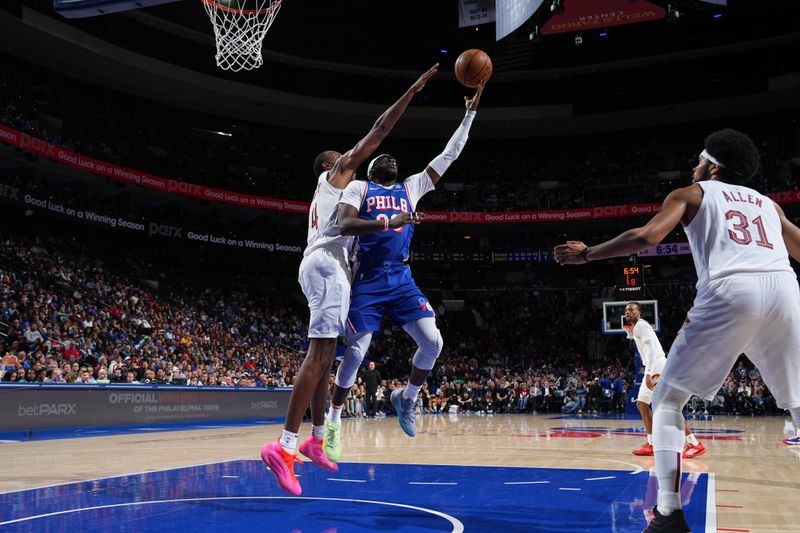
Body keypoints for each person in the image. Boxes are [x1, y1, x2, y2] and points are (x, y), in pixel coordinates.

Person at [555, 129, 800, 532]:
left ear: (713, 167)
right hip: (784, 290)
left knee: (667, 402)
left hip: (731, 290)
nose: (693, 167)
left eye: (698, 161)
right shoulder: (770, 206)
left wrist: (589, 254)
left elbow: (646, 236)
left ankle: (669, 513)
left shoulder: (692, 194)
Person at [259, 64, 439, 496]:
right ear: (331, 166)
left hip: (328, 267)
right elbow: (377, 131)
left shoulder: (334, 195)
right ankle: (282, 447)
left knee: (327, 356)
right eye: (345, 158)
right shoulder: (337, 177)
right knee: (319, 355)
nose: (353, 162)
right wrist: (412, 89)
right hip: (325, 265)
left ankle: (316, 437)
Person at [323, 82, 485, 461]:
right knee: (356, 354)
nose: (391, 159)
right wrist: (388, 222)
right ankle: (333, 419)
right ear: (373, 165)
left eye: (395, 159)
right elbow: (345, 225)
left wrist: (469, 114)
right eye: (385, 158)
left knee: (434, 342)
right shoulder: (358, 188)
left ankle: (407, 398)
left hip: (401, 278)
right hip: (366, 279)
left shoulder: (412, 187)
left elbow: (450, 154)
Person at [624, 302, 706, 459]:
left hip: (657, 367)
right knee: (641, 404)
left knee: (667, 408)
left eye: (631, 309)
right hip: (653, 366)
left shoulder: (642, 325)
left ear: (638, 313)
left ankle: (695, 443)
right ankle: (652, 444)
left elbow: (652, 350)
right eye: (626, 310)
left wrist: (648, 372)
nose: (627, 312)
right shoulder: (636, 328)